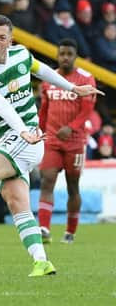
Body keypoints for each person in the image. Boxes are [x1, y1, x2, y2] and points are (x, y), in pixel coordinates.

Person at [0, 15, 102, 277]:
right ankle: (41, 261)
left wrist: (72, 88)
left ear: (10, 40)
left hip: (25, 138)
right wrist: (22, 131)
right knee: (17, 202)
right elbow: (2, 106)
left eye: (1, 37)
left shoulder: (21, 54)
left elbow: (41, 69)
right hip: (14, 137)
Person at [38, 39, 96, 244]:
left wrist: (71, 127)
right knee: (47, 181)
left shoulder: (86, 79)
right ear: (57, 55)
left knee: (73, 187)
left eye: (69, 54)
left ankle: (70, 232)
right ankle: (44, 228)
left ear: (75, 56)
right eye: (62, 53)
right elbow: (44, 110)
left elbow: (87, 109)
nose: (65, 57)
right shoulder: (48, 79)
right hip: (52, 140)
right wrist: (40, 133)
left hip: (75, 142)